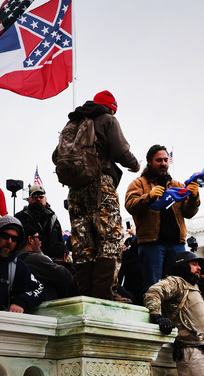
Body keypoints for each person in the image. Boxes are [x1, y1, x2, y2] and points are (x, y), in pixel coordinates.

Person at [55, 90, 139, 301]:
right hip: (101, 184)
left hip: (75, 189)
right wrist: (134, 164)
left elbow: (56, 156)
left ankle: (85, 295)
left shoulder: (71, 124)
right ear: (111, 107)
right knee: (109, 237)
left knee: (83, 242)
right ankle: (104, 294)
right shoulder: (107, 119)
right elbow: (120, 150)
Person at [124, 144, 200, 293]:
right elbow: (130, 205)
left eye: (166, 160)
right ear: (149, 162)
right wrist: (149, 197)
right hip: (152, 244)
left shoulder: (177, 185)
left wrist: (194, 197)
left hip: (176, 244)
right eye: (159, 160)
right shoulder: (139, 183)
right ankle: (155, 316)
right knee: (153, 288)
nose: (163, 163)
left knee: (178, 288)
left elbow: (188, 213)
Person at [0, 216, 45, 313]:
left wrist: (21, 302)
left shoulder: (16, 266)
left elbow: (39, 289)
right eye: (5, 236)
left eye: (15, 238)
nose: (9, 241)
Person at [16, 222, 75, 302]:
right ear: (30, 240)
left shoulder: (14, 258)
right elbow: (66, 277)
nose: (40, 241)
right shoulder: (35, 259)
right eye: (38, 237)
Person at [15, 184, 66, 260]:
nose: (38, 199)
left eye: (41, 196)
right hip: (30, 260)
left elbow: (60, 242)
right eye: (35, 197)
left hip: (52, 262)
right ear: (29, 199)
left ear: (45, 199)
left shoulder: (54, 219)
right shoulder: (21, 217)